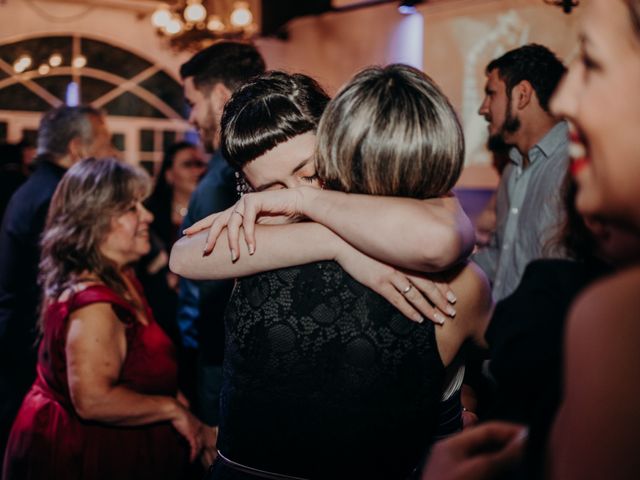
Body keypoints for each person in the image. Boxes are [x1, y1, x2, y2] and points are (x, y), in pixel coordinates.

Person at [171, 67, 490, 479]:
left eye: (308, 171)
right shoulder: (269, 228)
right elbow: (185, 256)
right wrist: (336, 244)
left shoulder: (405, 215)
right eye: (273, 189)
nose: (296, 198)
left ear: (341, 145)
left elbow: (440, 240)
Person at [2, 157, 215, 480]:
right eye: (132, 209)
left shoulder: (122, 277)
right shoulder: (93, 305)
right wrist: (171, 409)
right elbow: (92, 399)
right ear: (94, 221)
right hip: (80, 456)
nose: (148, 216)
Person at [0, 105, 113, 462]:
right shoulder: (57, 198)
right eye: (107, 143)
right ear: (78, 148)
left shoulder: (35, 187)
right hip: (31, 346)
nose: (113, 154)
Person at [177, 41, 266, 426]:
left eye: (192, 103)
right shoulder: (227, 169)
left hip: (226, 360)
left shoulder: (224, 177)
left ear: (219, 96)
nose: (192, 119)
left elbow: (212, 294)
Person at [474, 44, 568, 301]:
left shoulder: (574, 168)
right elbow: (501, 255)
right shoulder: (511, 170)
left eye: (491, 94)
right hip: (505, 331)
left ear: (522, 95)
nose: (482, 108)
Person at [137, 141, 207, 393]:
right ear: (169, 174)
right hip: (162, 312)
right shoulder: (150, 216)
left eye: (201, 164)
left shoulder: (214, 211)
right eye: (188, 164)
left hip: (200, 313)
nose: (197, 171)